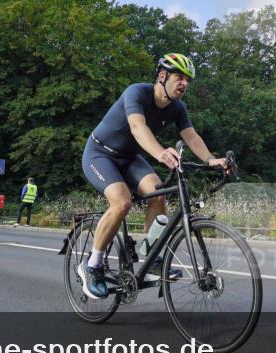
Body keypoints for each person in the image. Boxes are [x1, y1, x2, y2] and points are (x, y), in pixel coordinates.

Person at [78, 53, 228, 299]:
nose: (184, 84)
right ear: (162, 76)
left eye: (188, 80)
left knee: (157, 194)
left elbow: (191, 136)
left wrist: (211, 160)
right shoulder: (136, 93)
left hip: (129, 159)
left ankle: (152, 258)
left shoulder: (177, 108)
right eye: (180, 77)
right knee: (122, 201)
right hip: (100, 154)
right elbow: (138, 127)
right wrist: (160, 153)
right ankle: (92, 265)